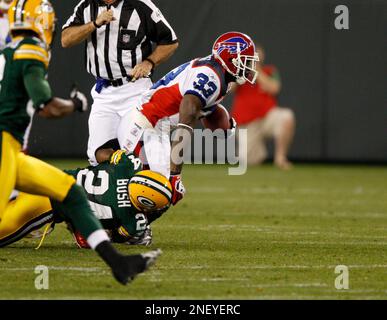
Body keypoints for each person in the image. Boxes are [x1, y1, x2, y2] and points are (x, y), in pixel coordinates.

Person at [0, 0, 160, 285]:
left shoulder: (7, 49)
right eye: (47, 19)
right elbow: (46, 106)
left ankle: (118, 263)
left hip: (12, 151)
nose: (50, 24)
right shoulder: (30, 49)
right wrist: (75, 104)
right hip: (4, 148)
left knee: (70, 191)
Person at [113, 31, 258, 204]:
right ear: (230, 59)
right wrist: (175, 174)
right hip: (143, 124)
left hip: (153, 126)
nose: (249, 66)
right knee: (160, 186)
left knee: (158, 189)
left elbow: (205, 110)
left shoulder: (220, 75)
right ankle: (121, 226)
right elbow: (187, 120)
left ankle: (132, 227)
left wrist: (223, 125)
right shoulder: (211, 77)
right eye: (246, 60)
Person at [61, 0, 179, 166]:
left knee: (142, 152)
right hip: (104, 93)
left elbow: (170, 41)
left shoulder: (140, 5)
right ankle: (120, 186)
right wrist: (94, 23)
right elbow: (65, 39)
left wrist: (149, 62)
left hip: (134, 90)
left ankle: (151, 188)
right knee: (97, 156)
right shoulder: (86, 5)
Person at [0, 150, 173, 249]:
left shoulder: (129, 164)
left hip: (49, 174)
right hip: (48, 203)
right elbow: (115, 237)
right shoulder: (132, 221)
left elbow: (101, 153)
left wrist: (106, 168)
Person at [231, 44, 296, 170]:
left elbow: (274, 88)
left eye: (258, 55)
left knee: (287, 116)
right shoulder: (241, 72)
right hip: (247, 122)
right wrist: (242, 71)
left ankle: (280, 158)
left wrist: (257, 71)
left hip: (267, 117)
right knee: (248, 161)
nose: (256, 57)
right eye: (253, 56)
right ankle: (259, 152)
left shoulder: (270, 71)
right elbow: (231, 88)